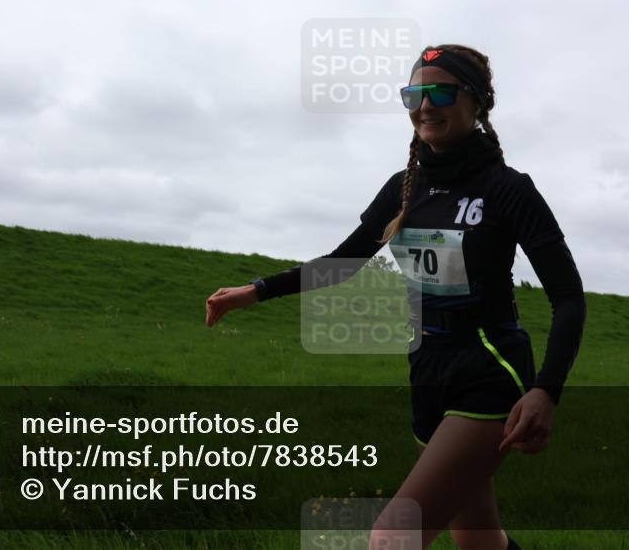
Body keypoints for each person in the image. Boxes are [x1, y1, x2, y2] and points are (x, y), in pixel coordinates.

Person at [205, 44, 587, 550]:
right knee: (479, 539)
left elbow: (569, 297)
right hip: (428, 368)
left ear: (476, 103)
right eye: (415, 93)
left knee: (392, 535)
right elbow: (343, 263)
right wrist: (254, 292)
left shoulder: (508, 189)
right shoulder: (403, 190)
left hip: (491, 369)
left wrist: (546, 390)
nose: (425, 105)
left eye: (441, 92)